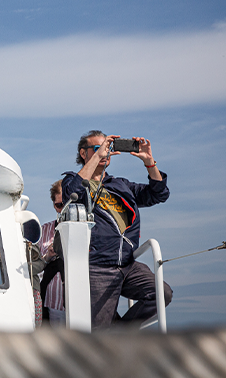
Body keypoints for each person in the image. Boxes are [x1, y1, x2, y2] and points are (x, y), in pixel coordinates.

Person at [61, 130, 172, 330]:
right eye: (98, 148)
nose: (106, 152)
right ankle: (111, 338)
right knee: (98, 330)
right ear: (84, 153)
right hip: (98, 266)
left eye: (108, 148)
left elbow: (159, 194)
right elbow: (71, 193)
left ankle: (119, 334)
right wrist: (97, 157)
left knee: (161, 293)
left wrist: (149, 161)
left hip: (128, 264)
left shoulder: (120, 185)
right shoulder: (73, 180)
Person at [39, 179, 65, 325]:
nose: (63, 209)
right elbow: (34, 265)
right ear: (54, 206)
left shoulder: (90, 230)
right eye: (59, 205)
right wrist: (48, 256)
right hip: (53, 303)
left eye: (67, 205)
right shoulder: (44, 230)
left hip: (85, 300)